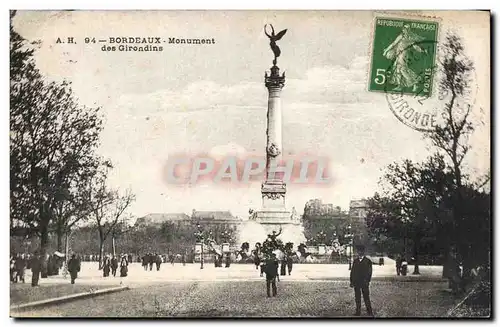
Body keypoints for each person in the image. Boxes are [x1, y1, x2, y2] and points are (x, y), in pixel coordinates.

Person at [350, 246, 374, 317]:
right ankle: (358, 312)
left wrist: (367, 281)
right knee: (357, 297)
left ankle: (369, 311)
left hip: (364, 282)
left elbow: (369, 272)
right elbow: (352, 272)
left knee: (366, 297)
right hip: (356, 282)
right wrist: (351, 281)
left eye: (361, 251)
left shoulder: (368, 261)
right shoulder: (355, 261)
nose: (359, 253)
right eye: (358, 251)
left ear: (363, 252)